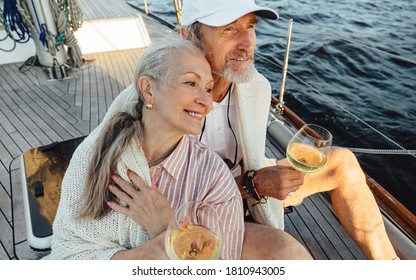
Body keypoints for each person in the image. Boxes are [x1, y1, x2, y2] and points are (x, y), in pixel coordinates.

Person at [178, 0, 398, 260]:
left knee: (342, 163)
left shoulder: (255, 86)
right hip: (201, 216)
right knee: (289, 255)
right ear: (189, 36)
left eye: (250, 26)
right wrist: (253, 185)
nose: (248, 43)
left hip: (250, 190)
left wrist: (260, 180)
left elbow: (253, 159)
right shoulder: (162, 99)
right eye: (228, 29)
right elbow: (170, 200)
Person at [43, 37, 244, 260]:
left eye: (208, 89)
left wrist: (168, 227)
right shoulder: (96, 152)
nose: (206, 101)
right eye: (190, 83)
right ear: (148, 90)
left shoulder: (213, 177)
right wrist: (144, 255)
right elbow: (67, 251)